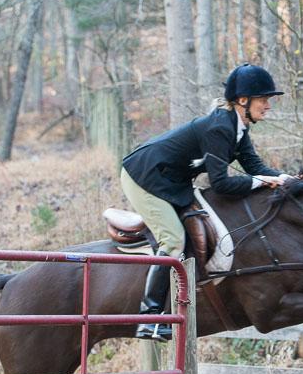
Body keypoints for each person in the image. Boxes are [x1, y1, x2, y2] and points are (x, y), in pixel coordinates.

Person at [120, 63, 293, 341]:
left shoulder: (238, 129)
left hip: (172, 180)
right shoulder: (220, 128)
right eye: (264, 100)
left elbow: (253, 166)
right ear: (243, 101)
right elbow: (222, 184)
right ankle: (150, 317)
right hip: (144, 175)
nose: (268, 106)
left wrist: (286, 179)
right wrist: (263, 182)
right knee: (173, 240)